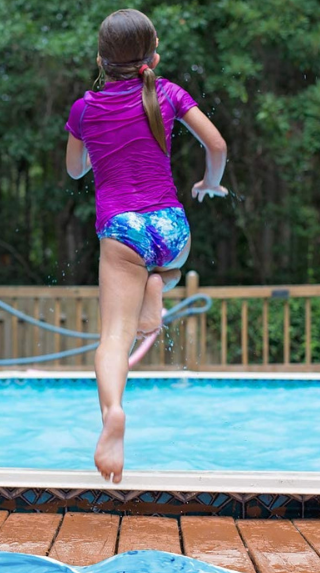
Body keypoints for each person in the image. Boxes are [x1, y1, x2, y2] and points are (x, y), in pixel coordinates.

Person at [65, 8, 228, 484]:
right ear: (152, 55)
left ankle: (113, 413)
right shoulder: (169, 93)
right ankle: (158, 286)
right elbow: (216, 146)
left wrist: (97, 141)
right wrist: (210, 184)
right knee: (168, 270)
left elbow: (76, 171)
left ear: (100, 57)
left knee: (114, 337)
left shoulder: (84, 108)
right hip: (173, 230)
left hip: (123, 233)